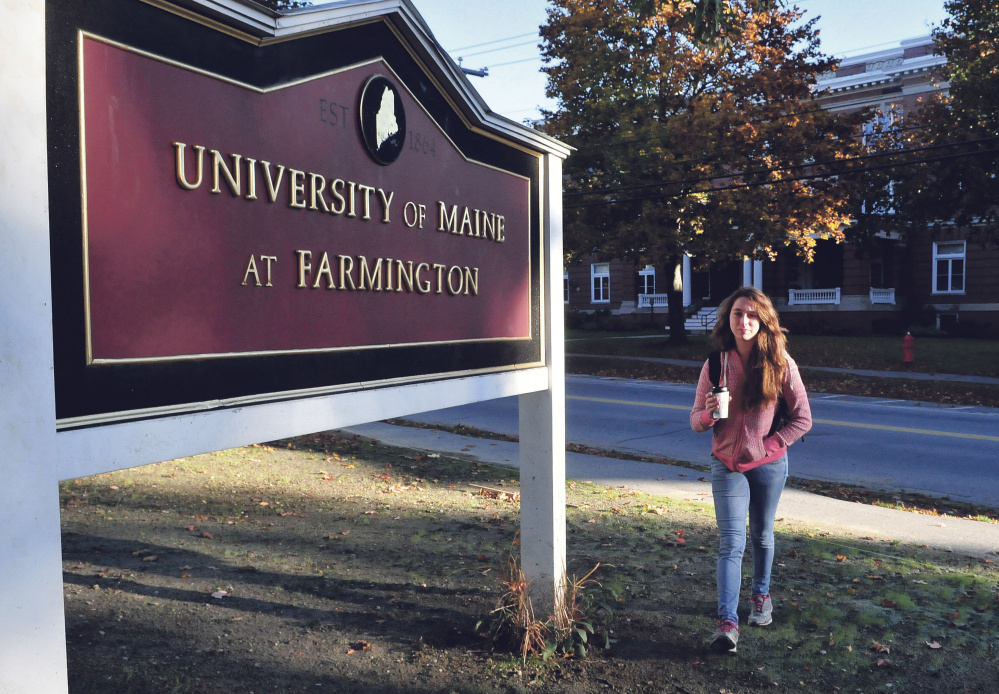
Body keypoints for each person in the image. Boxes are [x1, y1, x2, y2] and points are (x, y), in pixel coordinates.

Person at [690, 286, 812, 653]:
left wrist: (767, 447)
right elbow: (694, 420)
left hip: (769, 466)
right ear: (728, 320)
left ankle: (761, 596)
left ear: (763, 321)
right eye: (737, 314)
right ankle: (727, 624)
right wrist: (710, 413)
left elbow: (803, 419)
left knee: (760, 534)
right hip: (726, 464)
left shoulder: (780, 364)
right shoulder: (715, 364)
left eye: (752, 315)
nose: (744, 321)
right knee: (732, 543)